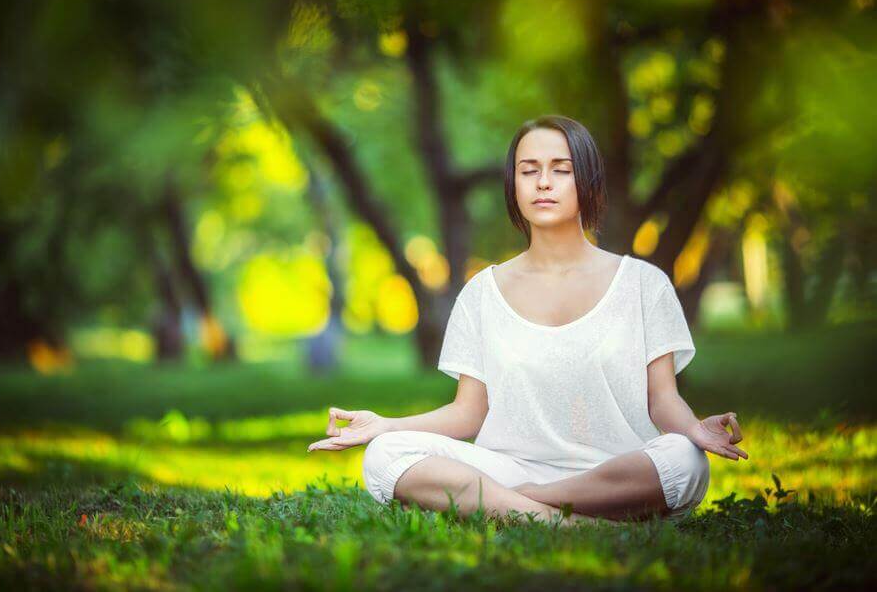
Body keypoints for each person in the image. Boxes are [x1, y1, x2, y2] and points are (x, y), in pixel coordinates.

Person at [307, 115, 748, 527]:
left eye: (561, 169)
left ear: (587, 180)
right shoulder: (482, 292)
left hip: (619, 469)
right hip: (510, 466)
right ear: (513, 185)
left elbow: (662, 400)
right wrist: (384, 425)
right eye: (528, 170)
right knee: (385, 454)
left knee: (685, 459)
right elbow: (467, 413)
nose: (543, 183)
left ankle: (519, 502)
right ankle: (569, 523)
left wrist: (694, 429)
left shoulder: (643, 284)